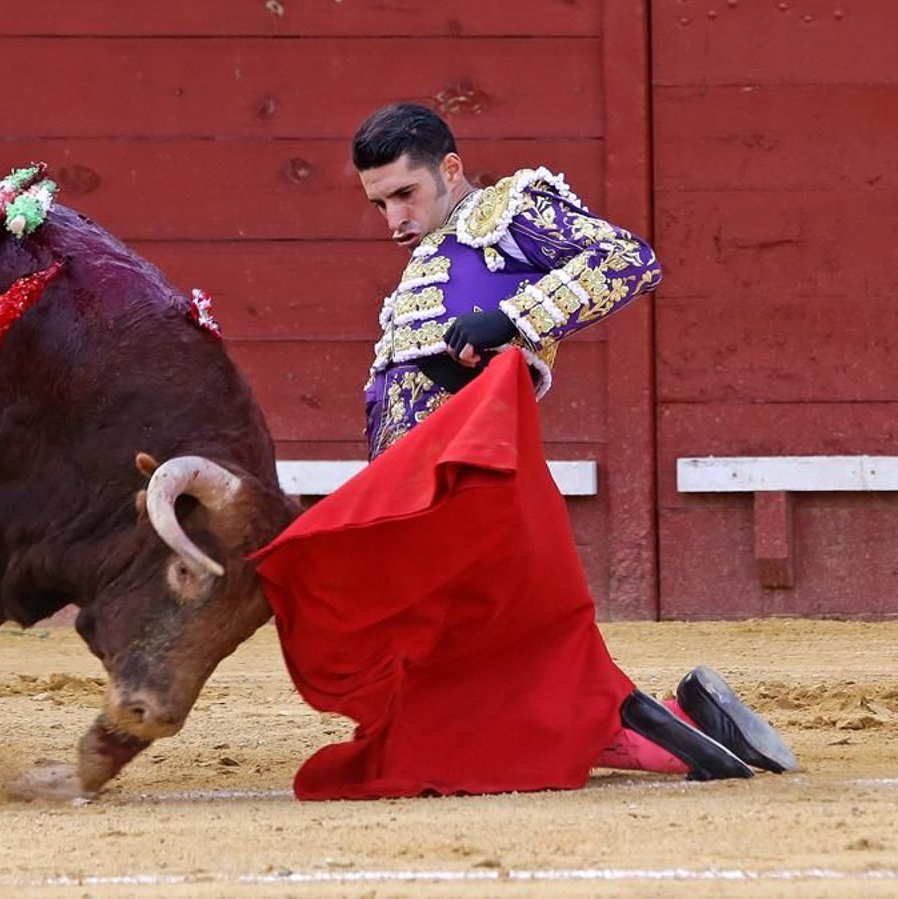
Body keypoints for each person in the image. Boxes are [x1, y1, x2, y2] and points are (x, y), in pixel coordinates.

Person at [253, 103, 795, 800]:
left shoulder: (507, 210)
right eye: (379, 203)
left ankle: (654, 724)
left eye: (404, 194)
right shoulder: (429, 256)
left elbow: (628, 258)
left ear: (450, 169)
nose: (393, 219)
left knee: (473, 684)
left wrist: (514, 319)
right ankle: (682, 722)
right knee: (462, 676)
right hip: (423, 487)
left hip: (468, 483)